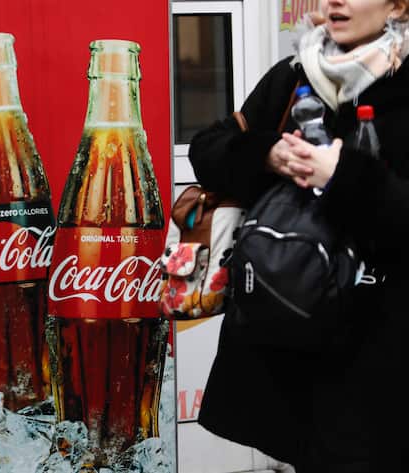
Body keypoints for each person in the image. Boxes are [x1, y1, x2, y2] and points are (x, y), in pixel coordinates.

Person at [189, 1, 409, 472]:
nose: (335, 0)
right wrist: (267, 155)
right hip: (290, 351)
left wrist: (343, 175)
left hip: (380, 370)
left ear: (398, 5)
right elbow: (207, 150)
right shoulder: (295, 73)